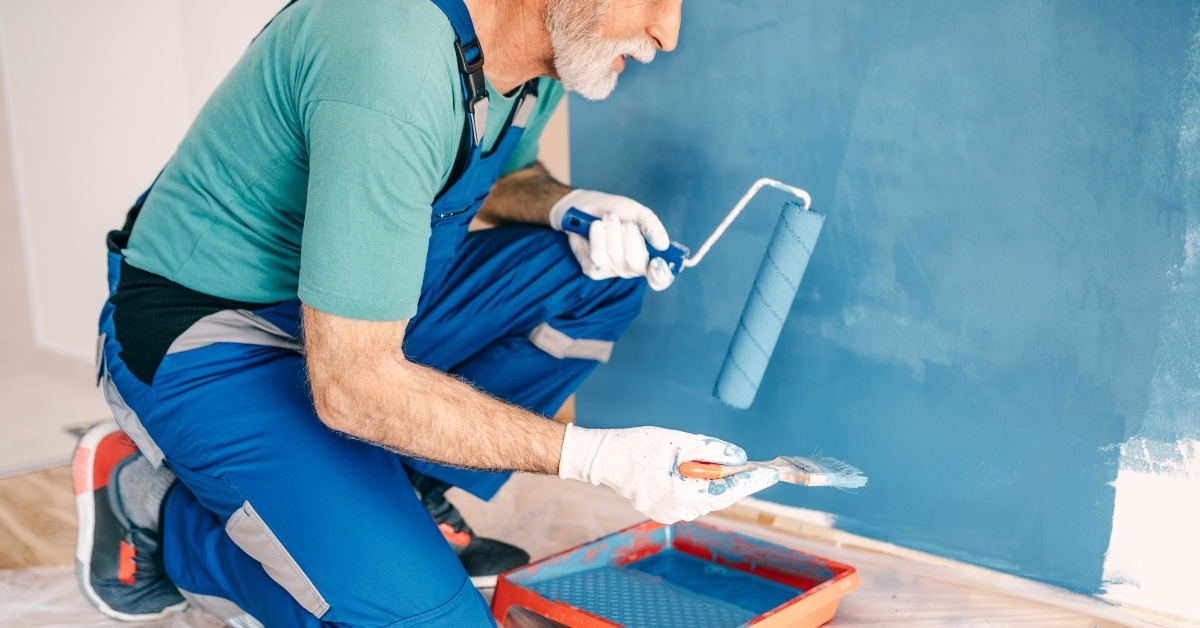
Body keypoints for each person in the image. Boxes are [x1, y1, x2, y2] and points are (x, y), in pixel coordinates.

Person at [72, 0, 780, 625]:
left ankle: (396, 494)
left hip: (367, 310)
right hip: (215, 341)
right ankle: (157, 515)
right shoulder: (390, 57)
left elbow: (499, 175)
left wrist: (567, 207)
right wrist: (598, 458)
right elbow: (353, 386)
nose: (669, 30)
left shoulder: (535, 54)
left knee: (591, 277)